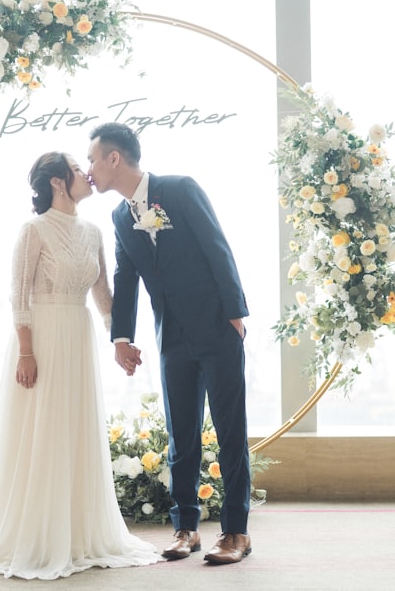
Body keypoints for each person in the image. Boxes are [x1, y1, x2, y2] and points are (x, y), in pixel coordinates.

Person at [0, 152, 160, 580]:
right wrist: (25, 351)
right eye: (78, 170)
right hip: (41, 338)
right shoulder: (33, 230)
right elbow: (19, 295)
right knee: (41, 429)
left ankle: (75, 532)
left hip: (78, 335)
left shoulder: (93, 231)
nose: (86, 175)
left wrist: (120, 341)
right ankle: (34, 532)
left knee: (74, 428)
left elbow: (102, 293)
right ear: (58, 182)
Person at [86, 122, 253, 565]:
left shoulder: (180, 189)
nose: (89, 170)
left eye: (92, 160)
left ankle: (236, 533)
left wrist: (235, 314)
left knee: (230, 431)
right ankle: (186, 528)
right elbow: (126, 279)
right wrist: (121, 336)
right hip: (172, 338)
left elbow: (218, 247)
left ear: (114, 158)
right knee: (182, 434)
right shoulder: (121, 217)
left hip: (218, 329)